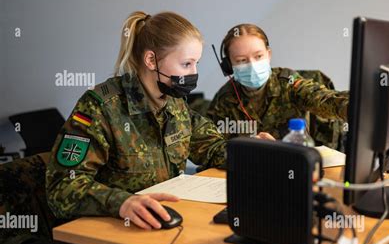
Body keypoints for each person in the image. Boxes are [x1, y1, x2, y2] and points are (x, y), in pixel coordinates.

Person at [46, 12, 271, 231]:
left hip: (164, 223)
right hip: (114, 234)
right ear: (151, 60)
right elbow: (62, 188)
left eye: (196, 64)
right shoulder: (100, 108)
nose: (194, 73)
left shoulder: (173, 101)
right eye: (186, 64)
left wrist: (251, 150)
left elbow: (211, 148)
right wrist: (121, 202)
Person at [207, 23, 348, 148]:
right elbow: (215, 148)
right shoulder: (224, 100)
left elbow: (323, 99)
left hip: (293, 166)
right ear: (229, 66)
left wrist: (353, 106)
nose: (252, 65)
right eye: (242, 60)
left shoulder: (288, 82)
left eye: (258, 56)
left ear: (268, 55)